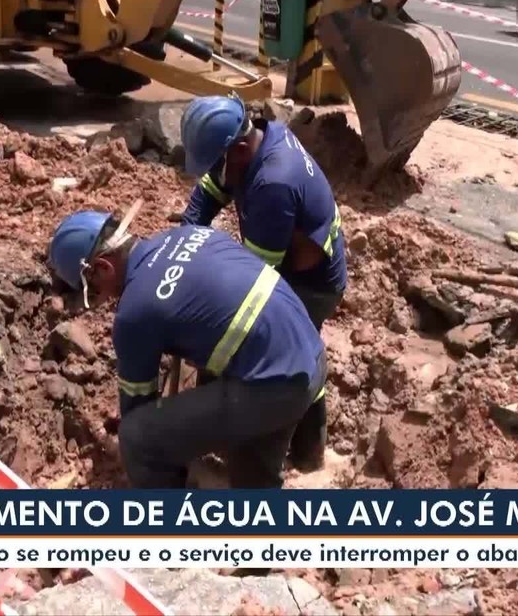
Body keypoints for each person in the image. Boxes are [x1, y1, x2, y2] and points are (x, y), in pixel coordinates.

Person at [48, 202, 327, 489]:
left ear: (103, 268)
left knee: (137, 439)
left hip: (277, 388)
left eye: (92, 291)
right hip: (312, 355)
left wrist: (141, 454)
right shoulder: (187, 234)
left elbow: (137, 409)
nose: (100, 299)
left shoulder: (134, 313)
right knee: (253, 478)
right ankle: (288, 470)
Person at [177, 95, 347, 472]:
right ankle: (299, 448)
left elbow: (251, 286)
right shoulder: (257, 141)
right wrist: (186, 237)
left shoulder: (273, 183)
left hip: (312, 284)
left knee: (269, 352)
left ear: (237, 150)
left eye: (218, 164)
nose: (215, 173)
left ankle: (292, 448)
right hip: (289, 261)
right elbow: (210, 190)